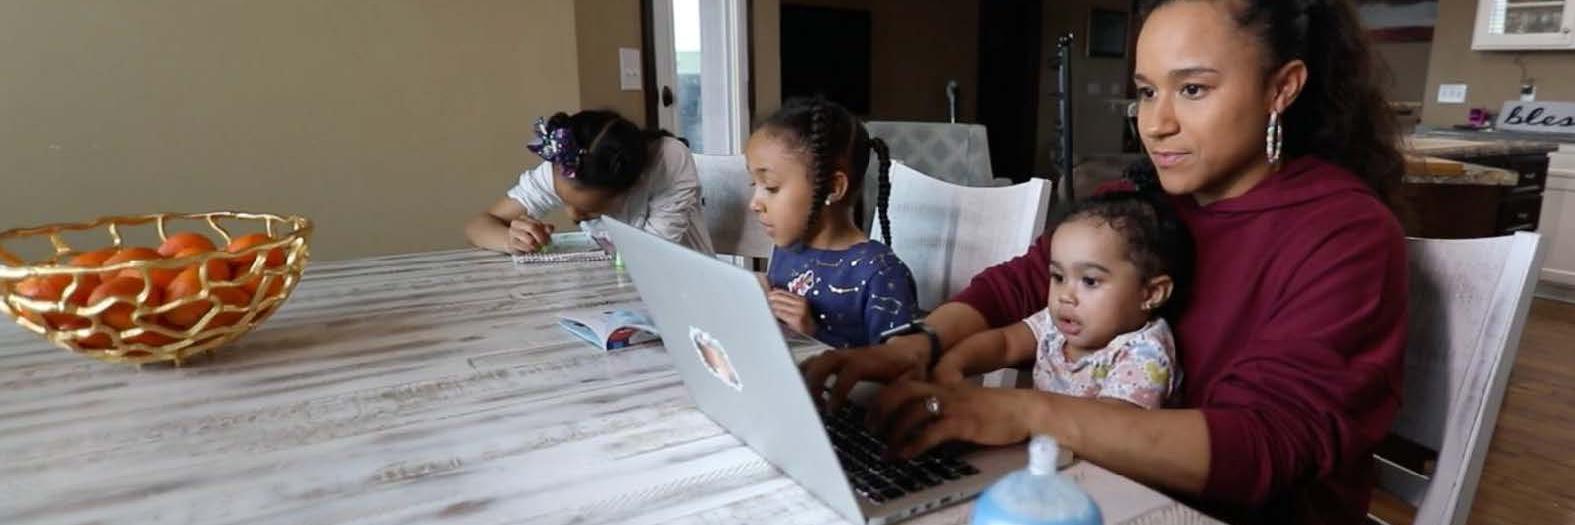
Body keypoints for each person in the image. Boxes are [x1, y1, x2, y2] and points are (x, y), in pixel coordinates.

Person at [799, 1, 1408, 522]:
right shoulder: (1133, 205)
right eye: (1146, 92)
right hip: (1099, 487)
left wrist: (1021, 412)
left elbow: (1262, 448)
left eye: (1192, 89)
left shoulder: (1343, 233)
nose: (1156, 123)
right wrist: (919, 344)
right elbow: (1018, 285)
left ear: (1281, 87)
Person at [933, 187, 1193, 410]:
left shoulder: (1144, 353)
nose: (1066, 296)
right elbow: (1005, 343)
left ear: (1150, 293)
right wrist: (954, 364)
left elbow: (1110, 423)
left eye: (1090, 281)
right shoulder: (1056, 325)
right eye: (1058, 277)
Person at [747, 97, 919, 348]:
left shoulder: (880, 273)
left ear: (833, 187)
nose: (754, 203)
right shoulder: (787, 249)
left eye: (771, 187)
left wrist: (813, 333)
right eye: (755, 185)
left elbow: (899, 371)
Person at [465, 110, 714, 255]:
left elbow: (652, 257)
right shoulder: (566, 167)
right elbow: (478, 226)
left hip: (688, 294)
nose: (571, 215)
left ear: (632, 185)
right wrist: (510, 239)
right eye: (564, 200)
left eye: (590, 212)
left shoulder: (667, 160)